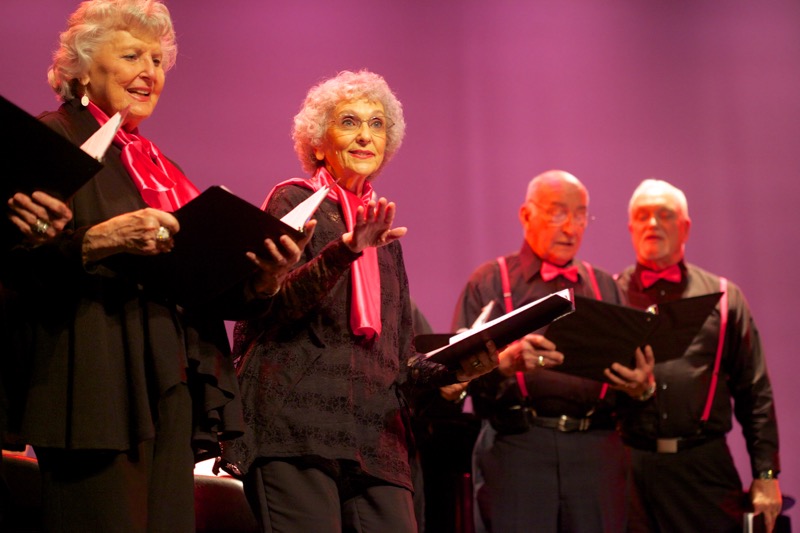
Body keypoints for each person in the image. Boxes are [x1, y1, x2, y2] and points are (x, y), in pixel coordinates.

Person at [0, 1, 309, 531]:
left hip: (169, 383)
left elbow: (198, 285)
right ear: (82, 66)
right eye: (131, 55)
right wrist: (95, 242)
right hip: (90, 383)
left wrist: (261, 278)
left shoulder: (160, 166)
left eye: (158, 60)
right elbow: (14, 263)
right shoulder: (48, 139)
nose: (150, 72)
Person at [221, 70, 518, 533]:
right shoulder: (293, 202)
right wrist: (346, 249)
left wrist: (463, 366)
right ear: (319, 143)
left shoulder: (384, 235)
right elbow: (271, 307)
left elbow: (400, 362)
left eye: (377, 124)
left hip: (377, 439)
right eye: (349, 122)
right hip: (296, 429)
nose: (365, 135)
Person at [453, 170, 653, 533]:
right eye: (558, 213)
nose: (571, 227)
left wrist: (642, 388)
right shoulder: (490, 282)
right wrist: (502, 365)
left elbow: (630, 377)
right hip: (518, 447)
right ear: (526, 215)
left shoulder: (605, 285)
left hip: (595, 452)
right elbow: (454, 379)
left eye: (581, 216)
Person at [615, 179, 782, 533]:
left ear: (685, 227)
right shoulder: (609, 295)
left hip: (702, 467)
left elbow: (755, 391)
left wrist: (766, 474)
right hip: (626, 467)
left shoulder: (724, 296)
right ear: (630, 228)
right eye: (642, 216)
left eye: (665, 215)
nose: (653, 224)